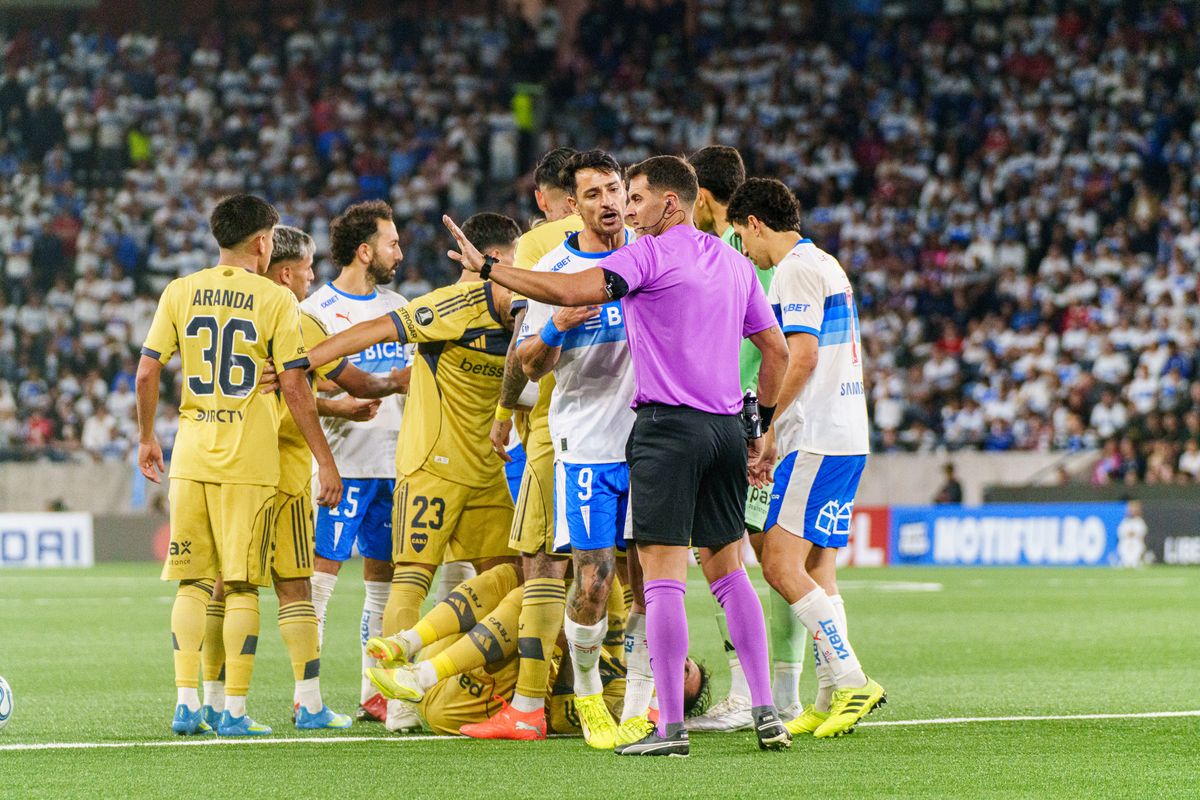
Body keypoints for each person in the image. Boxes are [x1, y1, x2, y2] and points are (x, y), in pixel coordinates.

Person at [441, 155, 791, 757]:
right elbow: (776, 350)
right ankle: (768, 713)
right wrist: (760, 422)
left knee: (660, 583)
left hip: (665, 429)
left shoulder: (647, 254)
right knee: (731, 575)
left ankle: (670, 729)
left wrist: (493, 270)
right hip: (726, 430)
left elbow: (569, 289)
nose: (628, 209)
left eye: (636, 198)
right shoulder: (734, 262)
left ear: (670, 205)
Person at [306, 213, 523, 731]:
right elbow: (367, 334)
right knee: (410, 579)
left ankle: (472, 687)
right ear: (497, 259)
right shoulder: (448, 305)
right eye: (518, 261)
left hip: (489, 471)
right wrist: (301, 361)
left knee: (506, 578)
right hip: (430, 467)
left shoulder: (523, 314)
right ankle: (397, 705)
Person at [135, 194, 342, 737]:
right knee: (244, 586)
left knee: (193, 585)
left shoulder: (179, 291)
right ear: (261, 242)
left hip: (191, 455)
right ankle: (233, 712)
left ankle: (186, 704)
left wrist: (146, 437)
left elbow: (146, 372)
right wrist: (325, 460)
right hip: (247, 463)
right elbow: (294, 385)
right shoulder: (275, 301)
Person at [196, 226, 410, 732]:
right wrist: (393, 383)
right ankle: (285, 701)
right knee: (288, 587)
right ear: (285, 268)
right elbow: (311, 387)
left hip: (230, 464)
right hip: (289, 471)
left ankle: (205, 700)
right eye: (308, 268)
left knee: (230, 583)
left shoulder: (217, 306)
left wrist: (336, 404)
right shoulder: (301, 315)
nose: (313, 276)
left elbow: (295, 390)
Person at [728, 178, 886, 739]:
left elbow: (802, 356)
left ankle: (852, 678)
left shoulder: (794, 267)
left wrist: (769, 424)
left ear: (755, 223)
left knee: (777, 563)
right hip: (847, 434)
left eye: (744, 240)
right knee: (818, 564)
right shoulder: (827, 263)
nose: (747, 253)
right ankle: (827, 696)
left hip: (817, 437)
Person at [515, 150, 643, 749]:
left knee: (651, 580)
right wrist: (555, 327)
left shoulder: (648, 254)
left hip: (652, 440)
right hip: (587, 441)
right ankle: (588, 693)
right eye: (593, 194)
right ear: (574, 205)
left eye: (614, 189)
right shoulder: (555, 269)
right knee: (593, 579)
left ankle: (643, 699)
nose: (608, 202)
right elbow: (528, 366)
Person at [687, 145, 808, 732]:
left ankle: (746, 695)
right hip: (765, 420)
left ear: (700, 197)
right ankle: (783, 693)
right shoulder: (768, 253)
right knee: (764, 556)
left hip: (745, 422)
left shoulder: (732, 249)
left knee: (729, 556)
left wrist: (763, 424)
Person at [471, 147, 582, 741]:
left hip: (555, 425)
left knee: (541, 562)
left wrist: (502, 410)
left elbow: (523, 340)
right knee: (630, 567)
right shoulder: (644, 236)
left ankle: (532, 703)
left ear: (544, 198)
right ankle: (630, 697)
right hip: (641, 425)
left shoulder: (541, 244)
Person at [299, 200, 413, 725]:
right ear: (365, 251)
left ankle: (375, 691)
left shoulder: (400, 307)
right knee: (320, 582)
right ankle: (308, 695)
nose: (400, 251)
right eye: (391, 243)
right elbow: (301, 387)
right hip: (342, 466)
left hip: (396, 466)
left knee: (382, 585)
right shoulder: (318, 311)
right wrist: (339, 404)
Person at [362, 565, 708, 736]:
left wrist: (569, 645)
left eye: (682, 677)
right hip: (459, 661)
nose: (677, 665)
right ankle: (408, 643)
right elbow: (612, 592)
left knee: (532, 604)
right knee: (511, 576)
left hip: (466, 705)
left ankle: (420, 675)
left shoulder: (624, 702)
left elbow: (562, 717)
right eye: (686, 663)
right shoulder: (623, 663)